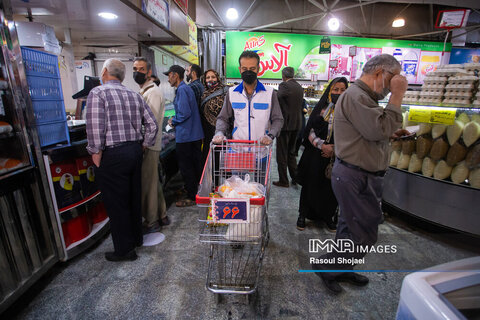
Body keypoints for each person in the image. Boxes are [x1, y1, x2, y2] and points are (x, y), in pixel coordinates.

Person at [313, 54, 408, 294]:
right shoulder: (356, 96)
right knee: (364, 234)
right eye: (391, 79)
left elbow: (372, 131)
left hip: (358, 175)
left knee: (348, 227)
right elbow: (380, 128)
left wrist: (391, 134)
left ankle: (337, 266)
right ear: (379, 73)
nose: (391, 87)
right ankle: (329, 268)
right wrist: (398, 95)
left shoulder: (364, 97)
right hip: (355, 176)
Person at [86, 58, 158, 261]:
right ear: (123, 75)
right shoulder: (134, 95)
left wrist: (95, 151)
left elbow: (95, 128)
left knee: (116, 203)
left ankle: (125, 250)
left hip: (112, 154)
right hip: (134, 152)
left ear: (104, 72)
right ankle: (136, 239)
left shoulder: (98, 93)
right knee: (133, 197)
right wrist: (144, 144)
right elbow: (152, 125)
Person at [296, 77, 348, 232]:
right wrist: (323, 146)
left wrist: (335, 149)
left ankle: (328, 216)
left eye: (343, 90)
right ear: (330, 91)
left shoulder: (348, 112)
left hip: (337, 156)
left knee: (331, 188)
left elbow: (351, 135)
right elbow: (310, 130)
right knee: (310, 184)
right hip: (315, 154)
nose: (339, 93)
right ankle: (303, 215)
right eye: (335, 89)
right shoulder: (321, 109)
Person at [213, 51, 283, 145]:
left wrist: (270, 135)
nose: (248, 72)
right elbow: (222, 118)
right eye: (244, 68)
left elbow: (278, 119)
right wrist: (219, 132)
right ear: (240, 69)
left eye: (252, 68)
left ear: (258, 69)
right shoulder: (232, 93)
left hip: (261, 150)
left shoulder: (270, 93)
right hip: (238, 150)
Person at [133, 57, 169, 233]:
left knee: (148, 183)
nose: (137, 72)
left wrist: (145, 143)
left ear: (148, 72)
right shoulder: (145, 91)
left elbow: (151, 122)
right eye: (135, 69)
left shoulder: (152, 92)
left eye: (141, 69)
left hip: (150, 144)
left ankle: (151, 221)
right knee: (153, 182)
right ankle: (161, 215)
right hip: (149, 143)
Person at [164, 65, 204, 207]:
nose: (168, 79)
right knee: (194, 165)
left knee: (187, 167)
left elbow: (184, 113)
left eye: (169, 75)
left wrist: (172, 121)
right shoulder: (185, 89)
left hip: (186, 136)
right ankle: (193, 191)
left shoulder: (182, 90)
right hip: (193, 134)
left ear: (175, 75)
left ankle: (192, 196)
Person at [273, 67, 304, 188]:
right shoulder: (299, 86)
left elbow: (278, 97)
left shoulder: (284, 85)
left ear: (283, 75)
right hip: (297, 124)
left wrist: (272, 92)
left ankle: (283, 180)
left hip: (285, 125)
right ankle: (295, 178)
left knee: (281, 154)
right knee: (291, 153)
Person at [200, 69, 229, 164]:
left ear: (217, 78)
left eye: (213, 77)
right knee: (210, 163)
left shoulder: (225, 91)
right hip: (208, 133)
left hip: (223, 133)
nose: (210, 79)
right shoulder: (203, 94)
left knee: (223, 163)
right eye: (208, 77)